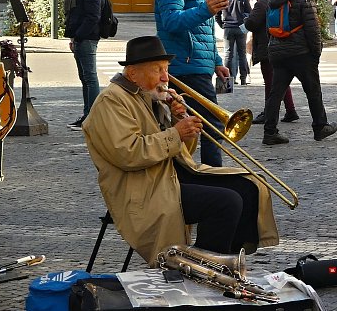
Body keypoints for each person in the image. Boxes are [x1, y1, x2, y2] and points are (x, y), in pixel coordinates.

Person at [83, 36, 279, 262]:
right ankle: (199, 267)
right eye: (158, 70)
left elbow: (182, 152)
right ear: (133, 73)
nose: (166, 78)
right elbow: (129, 153)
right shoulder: (112, 101)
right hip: (142, 187)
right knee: (226, 202)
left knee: (249, 187)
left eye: (166, 69)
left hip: (170, 174)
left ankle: (225, 262)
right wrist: (176, 132)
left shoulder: (147, 96)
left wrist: (179, 121)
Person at [155, 0, 231, 166]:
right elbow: (170, 21)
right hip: (184, 64)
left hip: (198, 63)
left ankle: (194, 176)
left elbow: (204, 27)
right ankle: (214, 177)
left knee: (197, 126)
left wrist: (216, 61)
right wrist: (205, 9)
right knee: (211, 126)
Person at [258, 0, 337, 145]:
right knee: (313, 91)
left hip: (278, 52)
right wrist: (316, 53)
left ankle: (269, 132)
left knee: (275, 94)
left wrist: (273, 49)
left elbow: (268, 27)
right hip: (301, 52)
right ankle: (320, 126)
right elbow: (313, 29)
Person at [59, 0, 108, 131]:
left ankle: (93, 118)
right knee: (85, 78)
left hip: (88, 37)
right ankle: (88, 115)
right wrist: (73, 37)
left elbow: (93, 16)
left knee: (89, 77)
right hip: (80, 36)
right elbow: (76, 14)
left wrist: (78, 35)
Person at [244, 0, 299, 125]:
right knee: (282, 80)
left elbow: (252, 23)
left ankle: (269, 114)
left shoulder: (263, 1)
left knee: (270, 82)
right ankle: (291, 110)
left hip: (267, 46)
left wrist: (246, 19)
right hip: (284, 44)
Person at [217, 0, 252, 89]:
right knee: (242, 54)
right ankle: (243, 78)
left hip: (228, 26)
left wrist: (221, 24)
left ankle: (228, 79)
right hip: (240, 27)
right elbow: (249, 12)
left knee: (228, 54)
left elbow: (217, 13)